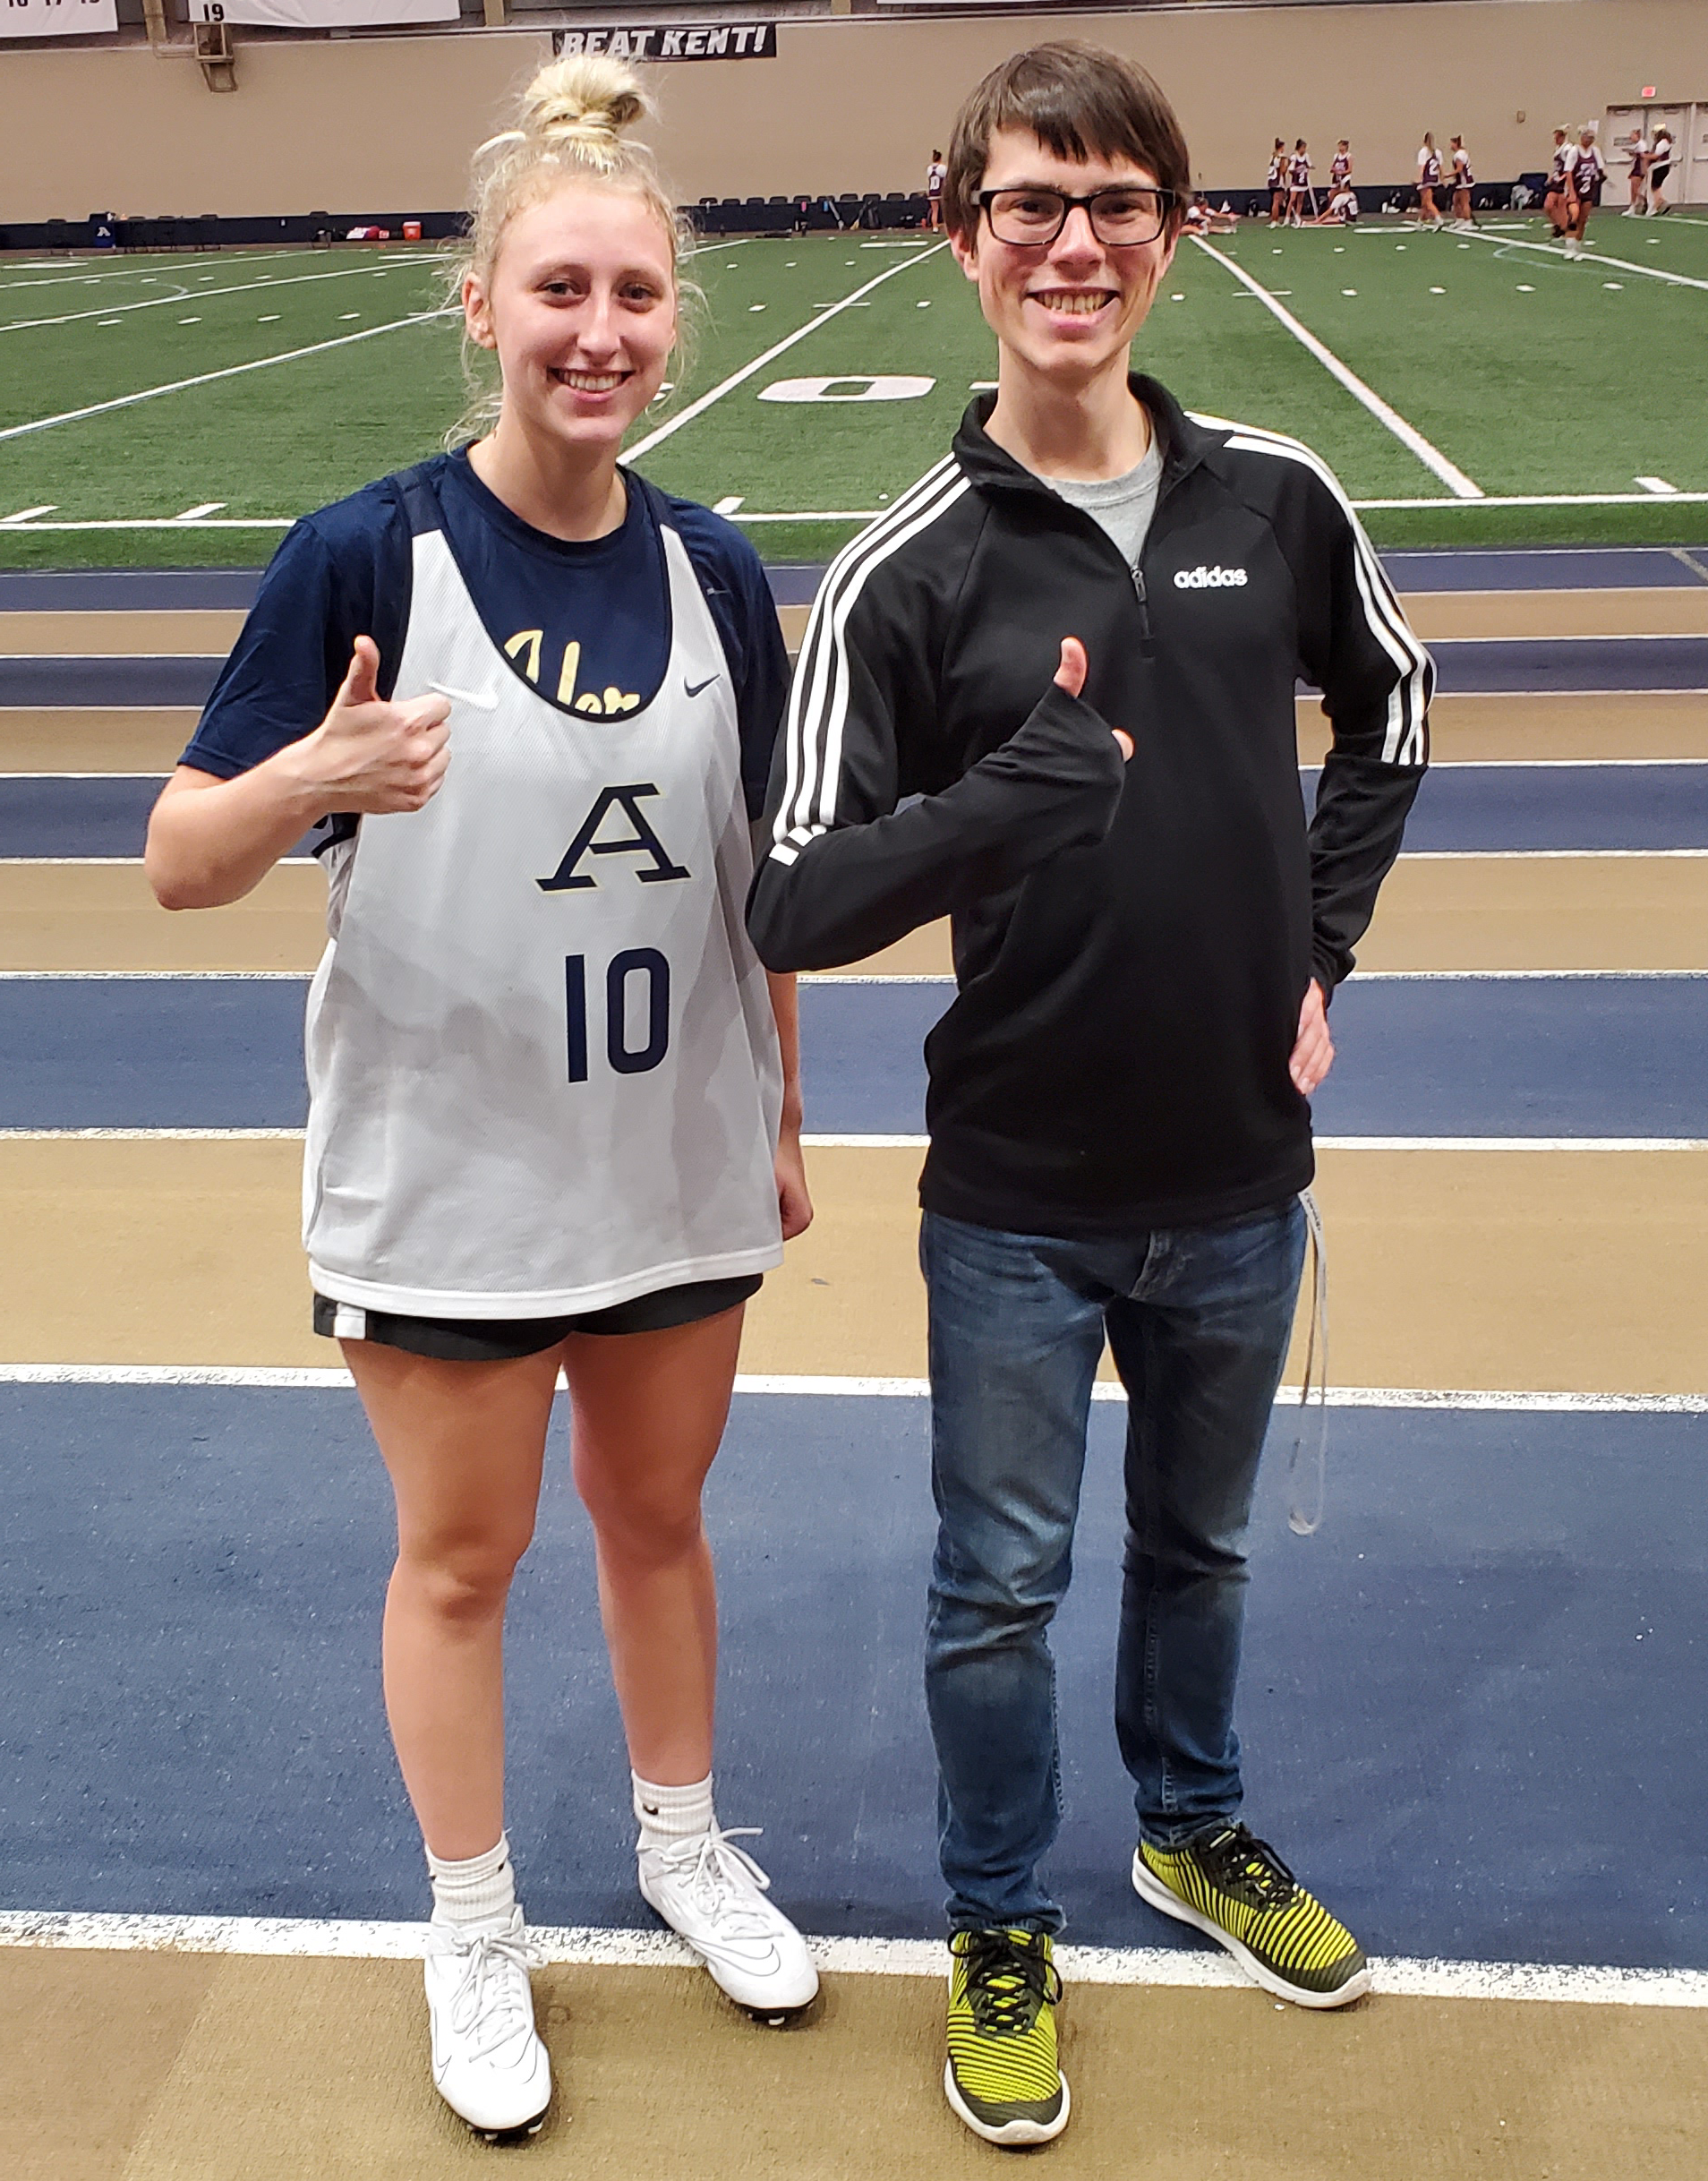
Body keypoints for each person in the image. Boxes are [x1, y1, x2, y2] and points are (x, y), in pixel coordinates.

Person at [748, 37, 1430, 2151]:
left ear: (1169, 233)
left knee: (1198, 1555)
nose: (1073, 242)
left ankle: (1189, 1828)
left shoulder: (1275, 501)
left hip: (1239, 1174)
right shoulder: (907, 569)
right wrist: (1006, 798)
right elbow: (789, 900)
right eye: (1030, 204)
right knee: (995, 1587)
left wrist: (1315, 954)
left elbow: (1390, 708)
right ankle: (991, 1921)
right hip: (1021, 1196)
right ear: (965, 240)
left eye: (1113, 202)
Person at [144, 52, 818, 2146]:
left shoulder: (717, 575)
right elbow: (176, 856)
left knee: (656, 1520)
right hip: (449, 1182)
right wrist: (304, 784)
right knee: (462, 1558)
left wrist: (781, 1124)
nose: (597, 333)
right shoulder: (363, 561)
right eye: (559, 294)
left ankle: (684, 1843)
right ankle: (469, 1922)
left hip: (672, 1160)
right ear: (482, 307)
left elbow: (758, 893)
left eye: (631, 295)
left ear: (670, 319)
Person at [1566, 126, 1604, 258]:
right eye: (1587, 137)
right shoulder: (1574, 151)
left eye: (1591, 138)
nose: (1589, 140)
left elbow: (1600, 169)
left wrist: (1603, 177)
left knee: (1583, 218)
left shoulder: (1595, 151)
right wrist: (1571, 191)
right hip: (1576, 188)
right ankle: (1569, 245)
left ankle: (1577, 245)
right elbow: (1569, 172)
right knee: (1574, 216)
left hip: (1588, 189)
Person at [1542, 125, 1577, 240]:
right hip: (1556, 181)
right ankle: (1558, 225)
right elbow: (1558, 166)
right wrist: (1552, 176)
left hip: (1563, 182)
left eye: (1557, 137)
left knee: (1562, 206)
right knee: (1548, 206)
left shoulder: (1567, 149)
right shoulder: (1559, 148)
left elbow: (1570, 166)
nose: (1555, 139)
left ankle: (1564, 229)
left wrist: (1564, 178)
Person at [1416, 132, 1444, 227]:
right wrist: (1442, 177)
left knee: (1428, 202)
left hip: (1427, 179)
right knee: (1424, 201)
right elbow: (1440, 167)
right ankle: (1421, 220)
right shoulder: (1438, 152)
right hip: (1434, 179)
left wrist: (1420, 178)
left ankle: (1438, 218)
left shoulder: (1423, 151)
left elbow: (1422, 166)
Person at [1620, 125, 1649, 216]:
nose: (1631, 138)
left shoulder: (1642, 144)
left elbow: (1644, 156)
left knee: (1635, 188)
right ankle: (1639, 203)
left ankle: (1641, 203)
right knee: (1634, 188)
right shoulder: (1638, 145)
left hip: (1639, 167)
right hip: (1637, 166)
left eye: (1632, 136)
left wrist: (1644, 170)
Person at [1448, 134, 1475, 227]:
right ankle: (1460, 219)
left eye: (1452, 143)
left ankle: (1467, 221)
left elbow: (1459, 169)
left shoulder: (1459, 155)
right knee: (1456, 200)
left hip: (1464, 181)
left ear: (1456, 144)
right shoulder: (1461, 153)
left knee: (1464, 202)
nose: (1450, 146)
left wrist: (1448, 175)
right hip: (1460, 181)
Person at [1647, 122, 1674, 215]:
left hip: (1661, 166)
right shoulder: (1663, 142)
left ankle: (1656, 207)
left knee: (1656, 187)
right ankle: (1663, 202)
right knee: (1655, 187)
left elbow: (1656, 156)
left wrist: (1645, 156)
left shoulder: (1662, 143)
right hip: (1659, 167)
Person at [1287, 136, 1312, 225]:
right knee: (1292, 200)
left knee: (1300, 200)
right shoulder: (1294, 157)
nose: (1304, 150)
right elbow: (1290, 170)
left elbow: (1309, 165)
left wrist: (1308, 168)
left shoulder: (1306, 156)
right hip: (1296, 181)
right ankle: (1287, 217)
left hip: (1303, 181)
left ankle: (1297, 216)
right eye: (1303, 147)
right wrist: (1297, 169)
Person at [1267, 137, 1287, 226]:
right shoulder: (1282, 157)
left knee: (1276, 201)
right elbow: (1283, 171)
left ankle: (1274, 219)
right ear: (1281, 147)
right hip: (1277, 181)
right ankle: (1275, 220)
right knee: (1276, 200)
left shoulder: (1273, 156)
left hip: (1271, 180)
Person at [927, 147, 948, 230]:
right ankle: (947, 226)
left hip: (932, 192)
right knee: (945, 210)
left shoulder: (929, 169)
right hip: (941, 191)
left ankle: (935, 227)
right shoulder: (942, 168)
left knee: (934, 211)